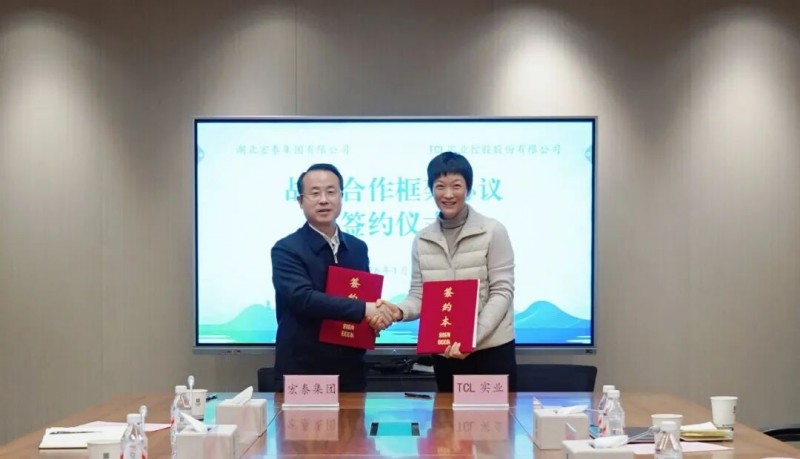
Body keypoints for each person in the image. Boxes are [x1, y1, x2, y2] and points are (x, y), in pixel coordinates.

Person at [373, 152, 517, 392]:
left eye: (456, 186)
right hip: (445, 352)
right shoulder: (422, 239)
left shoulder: (493, 231)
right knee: (449, 417)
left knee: (496, 417)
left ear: (468, 188)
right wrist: (398, 311)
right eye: (440, 186)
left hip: (491, 350)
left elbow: (502, 291)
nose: (448, 194)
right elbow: (419, 295)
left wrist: (472, 338)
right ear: (431, 189)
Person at [271, 163, 392, 392]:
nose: (324, 200)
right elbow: (302, 299)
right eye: (315, 193)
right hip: (303, 371)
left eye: (331, 192)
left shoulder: (357, 247)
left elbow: (364, 299)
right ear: (300, 201)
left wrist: (375, 320)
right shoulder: (286, 249)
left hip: (350, 370)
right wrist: (365, 309)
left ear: (341, 197)